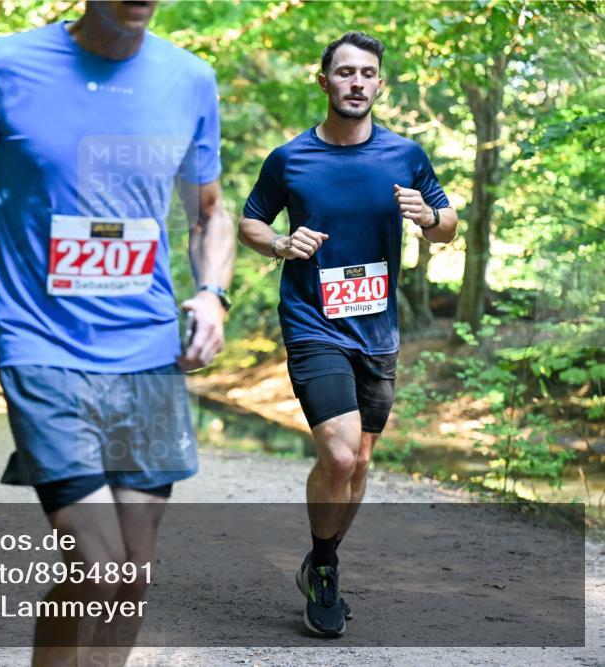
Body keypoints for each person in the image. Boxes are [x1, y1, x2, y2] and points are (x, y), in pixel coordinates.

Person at [0, 2, 235, 664]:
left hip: (146, 352)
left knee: (132, 571)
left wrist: (212, 294)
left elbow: (210, 212)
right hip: (42, 347)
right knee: (98, 557)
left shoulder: (190, 79)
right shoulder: (7, 66)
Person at [238, 32, 458, 638]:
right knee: (338, 451)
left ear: (379, 85)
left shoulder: (406, 155)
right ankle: (326, 563)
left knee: (359, 461)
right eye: (345, 72)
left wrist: (430, 218)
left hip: (378, 331)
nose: (356, 82)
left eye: (367, 73)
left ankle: (323, 560)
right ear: (325, 81)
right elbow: (251, 222)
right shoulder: (291, 159)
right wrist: (283, 243)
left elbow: (447, 224)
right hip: (314, 322)